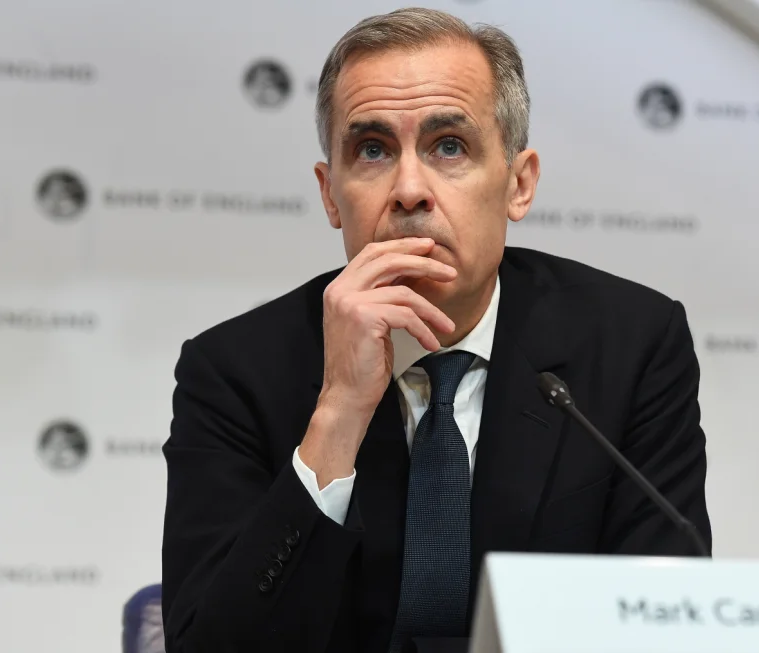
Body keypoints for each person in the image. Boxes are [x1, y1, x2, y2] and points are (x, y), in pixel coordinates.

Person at [161, 8, 711, 653]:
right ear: (331, 195)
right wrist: (338, 411)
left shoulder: (631, 344)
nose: (410, 190)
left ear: (518, 183)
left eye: (449, 146)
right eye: (372, 150)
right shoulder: (233, 372)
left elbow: (663, 622)